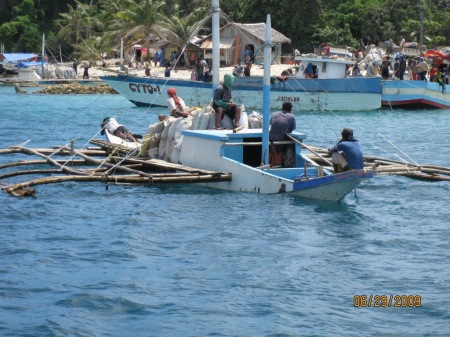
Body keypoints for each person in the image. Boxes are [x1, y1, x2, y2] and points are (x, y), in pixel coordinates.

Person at [269, 101, 296, 166]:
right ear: (290, 109)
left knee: (271, 151)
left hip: (270, 137)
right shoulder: (292, 117)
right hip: (280, 139)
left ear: (282, 108)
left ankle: (268, 163)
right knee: (280, 151)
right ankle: (278, 165)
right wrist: (287, 130)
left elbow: (270, 123)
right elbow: (293, 128)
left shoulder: (275, 113)